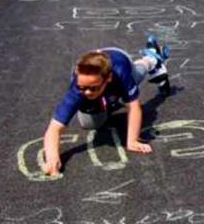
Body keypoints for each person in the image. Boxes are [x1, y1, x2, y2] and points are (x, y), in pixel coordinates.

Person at [41, 36, 171, 177]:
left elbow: (133, 107)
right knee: (89, 123)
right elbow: (55, 127)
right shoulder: (77, 89)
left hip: (120, 58)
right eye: (82, 87)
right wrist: (52, 158)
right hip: (100, 69)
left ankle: (151, 59)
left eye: (93, 88)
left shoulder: (120, 73)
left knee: (136, 76)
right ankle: (109, 100)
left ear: (108, 78)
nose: (87, 92)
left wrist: (132, 140)